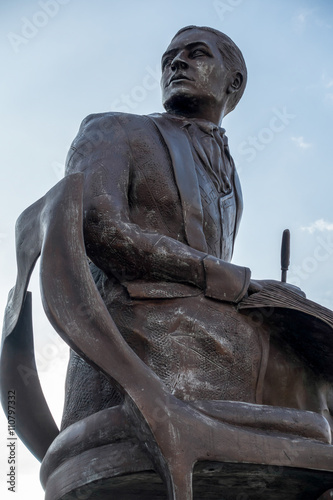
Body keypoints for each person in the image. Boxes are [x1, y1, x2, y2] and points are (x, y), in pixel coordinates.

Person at [59, 25, 278, 428]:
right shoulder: (115, 129)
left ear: (235, 81)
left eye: (198, 54)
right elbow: (96, 226)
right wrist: (219, 274)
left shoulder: (234, 181)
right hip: (134, 344)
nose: (177, 62)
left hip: (209, 338)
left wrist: (263, 296)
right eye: (169, 59)